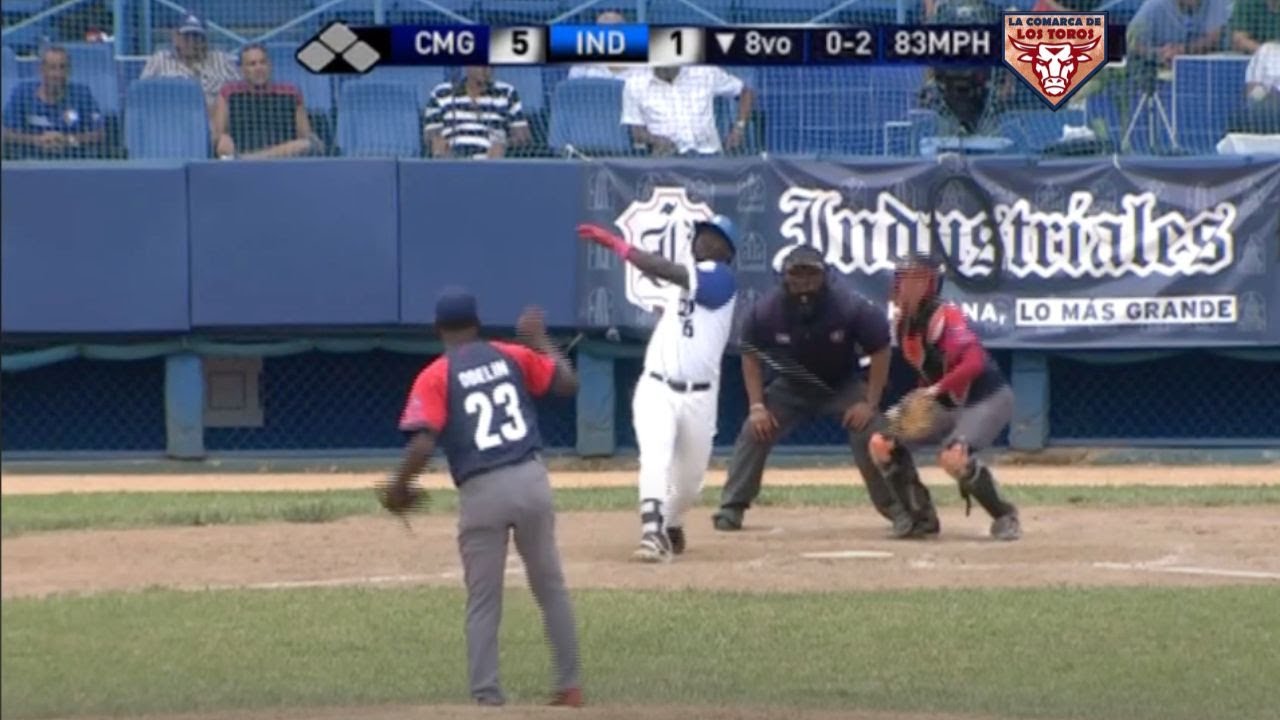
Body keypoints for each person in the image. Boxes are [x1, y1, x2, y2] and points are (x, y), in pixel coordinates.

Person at [387, 292, 582, 707]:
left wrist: (399, 488)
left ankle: (487, 694)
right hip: (531, 480)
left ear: (439, 329)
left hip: (482, 490)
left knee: (483, 599)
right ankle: (570, 685)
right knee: (550, 587)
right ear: (477, 323)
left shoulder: (437, 374)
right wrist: (541, 339)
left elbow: (422, 444)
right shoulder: (511, 354)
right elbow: (567, 383)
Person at [711, 246, 932, 538]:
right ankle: (732, 506)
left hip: (841, 384)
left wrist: (869, 401)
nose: (804, 282)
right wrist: (756, 406)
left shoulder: (848, 305)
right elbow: (749, 354)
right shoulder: (767, 310)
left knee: (874, 433)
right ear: (783, 277)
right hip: (790, 386)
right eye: (796, 274)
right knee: (755, 431)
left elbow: (880, 348)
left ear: (826, 276)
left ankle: (903, 511)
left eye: (811, 274)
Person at [576, 215, 738, 562]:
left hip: (700, 396)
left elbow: (670, 271)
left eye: (714, 236)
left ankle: (671, 522)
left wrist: (622, 247)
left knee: (691, 482)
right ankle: (652, 532)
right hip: (656, 386)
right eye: (701, 234)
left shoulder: (722, 282)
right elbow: (662, 273)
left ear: (728, 250)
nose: (704, 240)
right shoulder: (685, 279)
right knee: (655, 457)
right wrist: (632, 256)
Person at [869, 254, 1022, 542]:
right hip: (946, 400)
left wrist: (934, 390)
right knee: (881, 443)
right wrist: (920, 397)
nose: (905, 287)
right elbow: (928, 367)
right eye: (902, 279)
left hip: (986, 397)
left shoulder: (945, 317)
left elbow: (974, 362)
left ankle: (1005, 514)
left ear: (931, 284)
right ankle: (920, 518)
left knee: (953, 457)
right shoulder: (903, 323)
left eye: (916, 280)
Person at [212, 44, 319, 159]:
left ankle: (252, 158)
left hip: (284, 158)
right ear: (242, 70)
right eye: (252, 64)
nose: (259, 68)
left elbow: (305, 134)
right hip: (241, 155)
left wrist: (312, 140)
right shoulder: (228, 93)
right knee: (223, 143)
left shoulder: (291, 92)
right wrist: (224, 139)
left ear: (270, 65)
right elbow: (217, 135)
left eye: (263, 62)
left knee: (306, 144)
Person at [621, 66, 754, 156]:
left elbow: (745, 92)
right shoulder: (635, 84)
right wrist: (657, 140)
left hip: (709, 155)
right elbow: (637, 133)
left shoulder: (704, 72)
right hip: (667, 158)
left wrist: (739, 128)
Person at [2, 45, 104, 159]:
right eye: (52, 68)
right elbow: (5, 133)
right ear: (42, 69)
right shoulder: (22, 93)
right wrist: (36, 140)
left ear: (69, 70)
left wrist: (67, 140)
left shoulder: (82, 94)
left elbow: (99, 134)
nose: (58, 74)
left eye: (62, 67)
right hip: (30, 163)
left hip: (72, 163)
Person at [423, 65, 531, 159]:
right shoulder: (441, 93)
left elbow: (523, 138)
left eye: (491, 65)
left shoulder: (507, 93)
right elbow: (431, 135)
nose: (487, 69)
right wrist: (437, 144)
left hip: (491, 164)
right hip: (453, 161)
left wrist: (503, 145)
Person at [140, 14, 239, 113]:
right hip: (171, 118)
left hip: (214, 121)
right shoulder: (159, 60)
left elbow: (241, 90)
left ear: (205, 39)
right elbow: (142, 94)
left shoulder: (221, 60)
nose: (191, 42)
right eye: (187, 37)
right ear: (175, 37)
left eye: (196, 37)